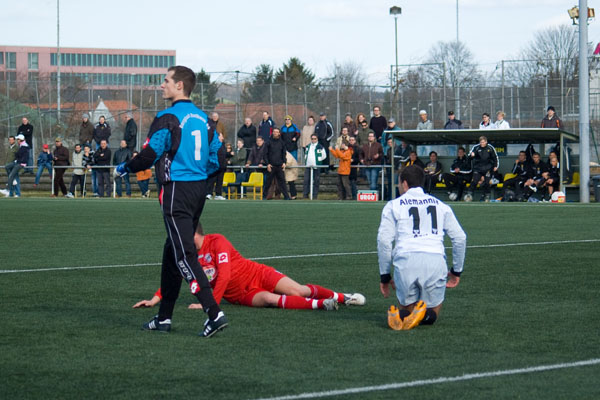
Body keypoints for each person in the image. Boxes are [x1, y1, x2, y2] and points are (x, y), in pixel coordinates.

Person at [114, 65, 228, 337]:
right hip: (197, 190)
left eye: (166, 81)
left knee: (184, 254)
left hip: (177, 189)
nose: (161, 85)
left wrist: (124, 168)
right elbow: (219, 159)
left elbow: (149, 155)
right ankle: (164, 317)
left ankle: (214, 314)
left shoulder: (167, 118)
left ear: (180, 86)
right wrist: (202, 180)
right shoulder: (204, 119)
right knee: (172, 250)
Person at [133, 225, 366, 311]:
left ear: (194, 234)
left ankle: (342, 297)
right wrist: (154, 299)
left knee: (299, 290)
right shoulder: (186, 254)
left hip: (258, 273)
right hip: (240, 295)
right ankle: (322, 305)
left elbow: (224, 275)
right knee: (270, 300)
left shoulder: (217, 241)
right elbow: (173, 276)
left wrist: (210, 302)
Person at [378, 165, 466, 330]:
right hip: (434, 260)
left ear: (404, 183)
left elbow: (384, 241)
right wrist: (456, 271)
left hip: (406, 260)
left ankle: (401, 314)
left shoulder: (393, 205)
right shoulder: (441, 205)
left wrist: (384, 276)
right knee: (432, 314)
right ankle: (425, 315)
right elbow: (460, 238)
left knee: (407, 308)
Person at [465, 136, 499, 202]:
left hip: (487, 168)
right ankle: (469, 195)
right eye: (481, 142)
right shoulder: (476, 147)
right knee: (475, 181)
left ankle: (487, 196)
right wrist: (471, 155)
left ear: (486, 142)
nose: (482, 144)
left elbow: (495, 157)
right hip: (478, 168)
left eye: (483, 142)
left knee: (487, 182)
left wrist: (495, 166)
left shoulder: (490, 148)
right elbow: (469, 157)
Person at [262, 128, 290, 200]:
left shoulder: (282, 143)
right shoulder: (268, 142)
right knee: (268, 182)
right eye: (274, 132)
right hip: (271, 166)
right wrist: (267, 164)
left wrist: (284, 163)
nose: (275, 133)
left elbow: (284, 154)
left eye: (277, 132)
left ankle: (286, 196)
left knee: (282, 182)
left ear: (279, 133)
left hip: (280, 166)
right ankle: (264, 196)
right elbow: (265, 154)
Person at [303, 134, 326, 199]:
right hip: (308, 166)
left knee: (316, 181)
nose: (313, 140)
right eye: (312, 139)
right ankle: (305, 195)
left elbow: (324, 156)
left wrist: (318, 160)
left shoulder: (320, 146)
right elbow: (305, 154)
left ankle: (314, 195)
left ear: (317, 139)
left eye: (315, 139)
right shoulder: (308, 146)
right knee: (306, 181)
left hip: (317, 166)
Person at [206, 132, 227, 200]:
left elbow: (224, 155)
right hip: (215, 166)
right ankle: (209, 193)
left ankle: (218, 194)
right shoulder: (214, 144)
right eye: (221, 136)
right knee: (211, 180)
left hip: (222, 166)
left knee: (220, 181)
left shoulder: (223, 144)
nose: (222, 137)